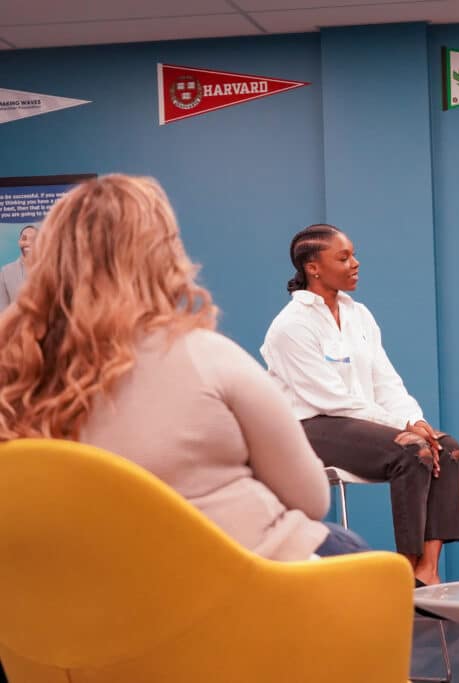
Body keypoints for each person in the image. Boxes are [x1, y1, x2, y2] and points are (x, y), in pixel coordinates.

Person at [0, 175, 365, 561]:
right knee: (345, 548)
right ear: (162, 258)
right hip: (231, 580)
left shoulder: (15, 365)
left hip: (79, 587)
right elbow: (309, 496)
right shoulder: (207, 356)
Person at [261, 224, 459, 586]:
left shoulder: (359, 315)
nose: (355, 263)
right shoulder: (290, 326)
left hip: (359, 423)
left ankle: (426, 572)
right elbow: (331, 400)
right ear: (314, 267)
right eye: (343, 257)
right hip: (310, 429)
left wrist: (413, 419)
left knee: (445, 447)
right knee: (413, 451)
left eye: (354, 255)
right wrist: (402, 427)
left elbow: (386, 380)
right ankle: (402, 573)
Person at [0, 225, 37, 312]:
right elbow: (2, 310)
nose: (28, 242)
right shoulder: (6, 272)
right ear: (19, 242)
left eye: (33, 239)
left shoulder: (49, 270)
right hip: (16, 325)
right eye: (24, 239)